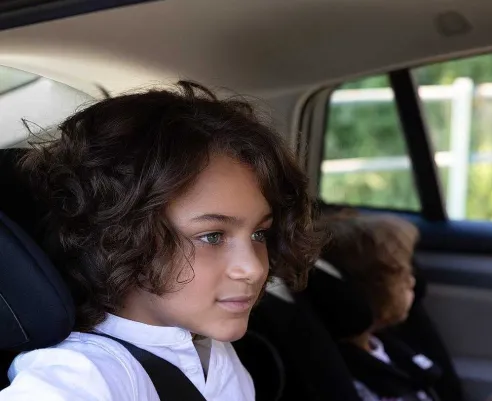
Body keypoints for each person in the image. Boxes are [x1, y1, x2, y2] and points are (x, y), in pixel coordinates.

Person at [0, 81, 323, 400]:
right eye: (212, 236)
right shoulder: (85, 375)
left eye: (259, 233)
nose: (253, 268)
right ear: (119, 237)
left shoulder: (211, 350)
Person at [322, 213, 492, 401]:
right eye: (401, 275)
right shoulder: (353, 380)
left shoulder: (386, 347)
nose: (412, 281)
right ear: (366, 292)